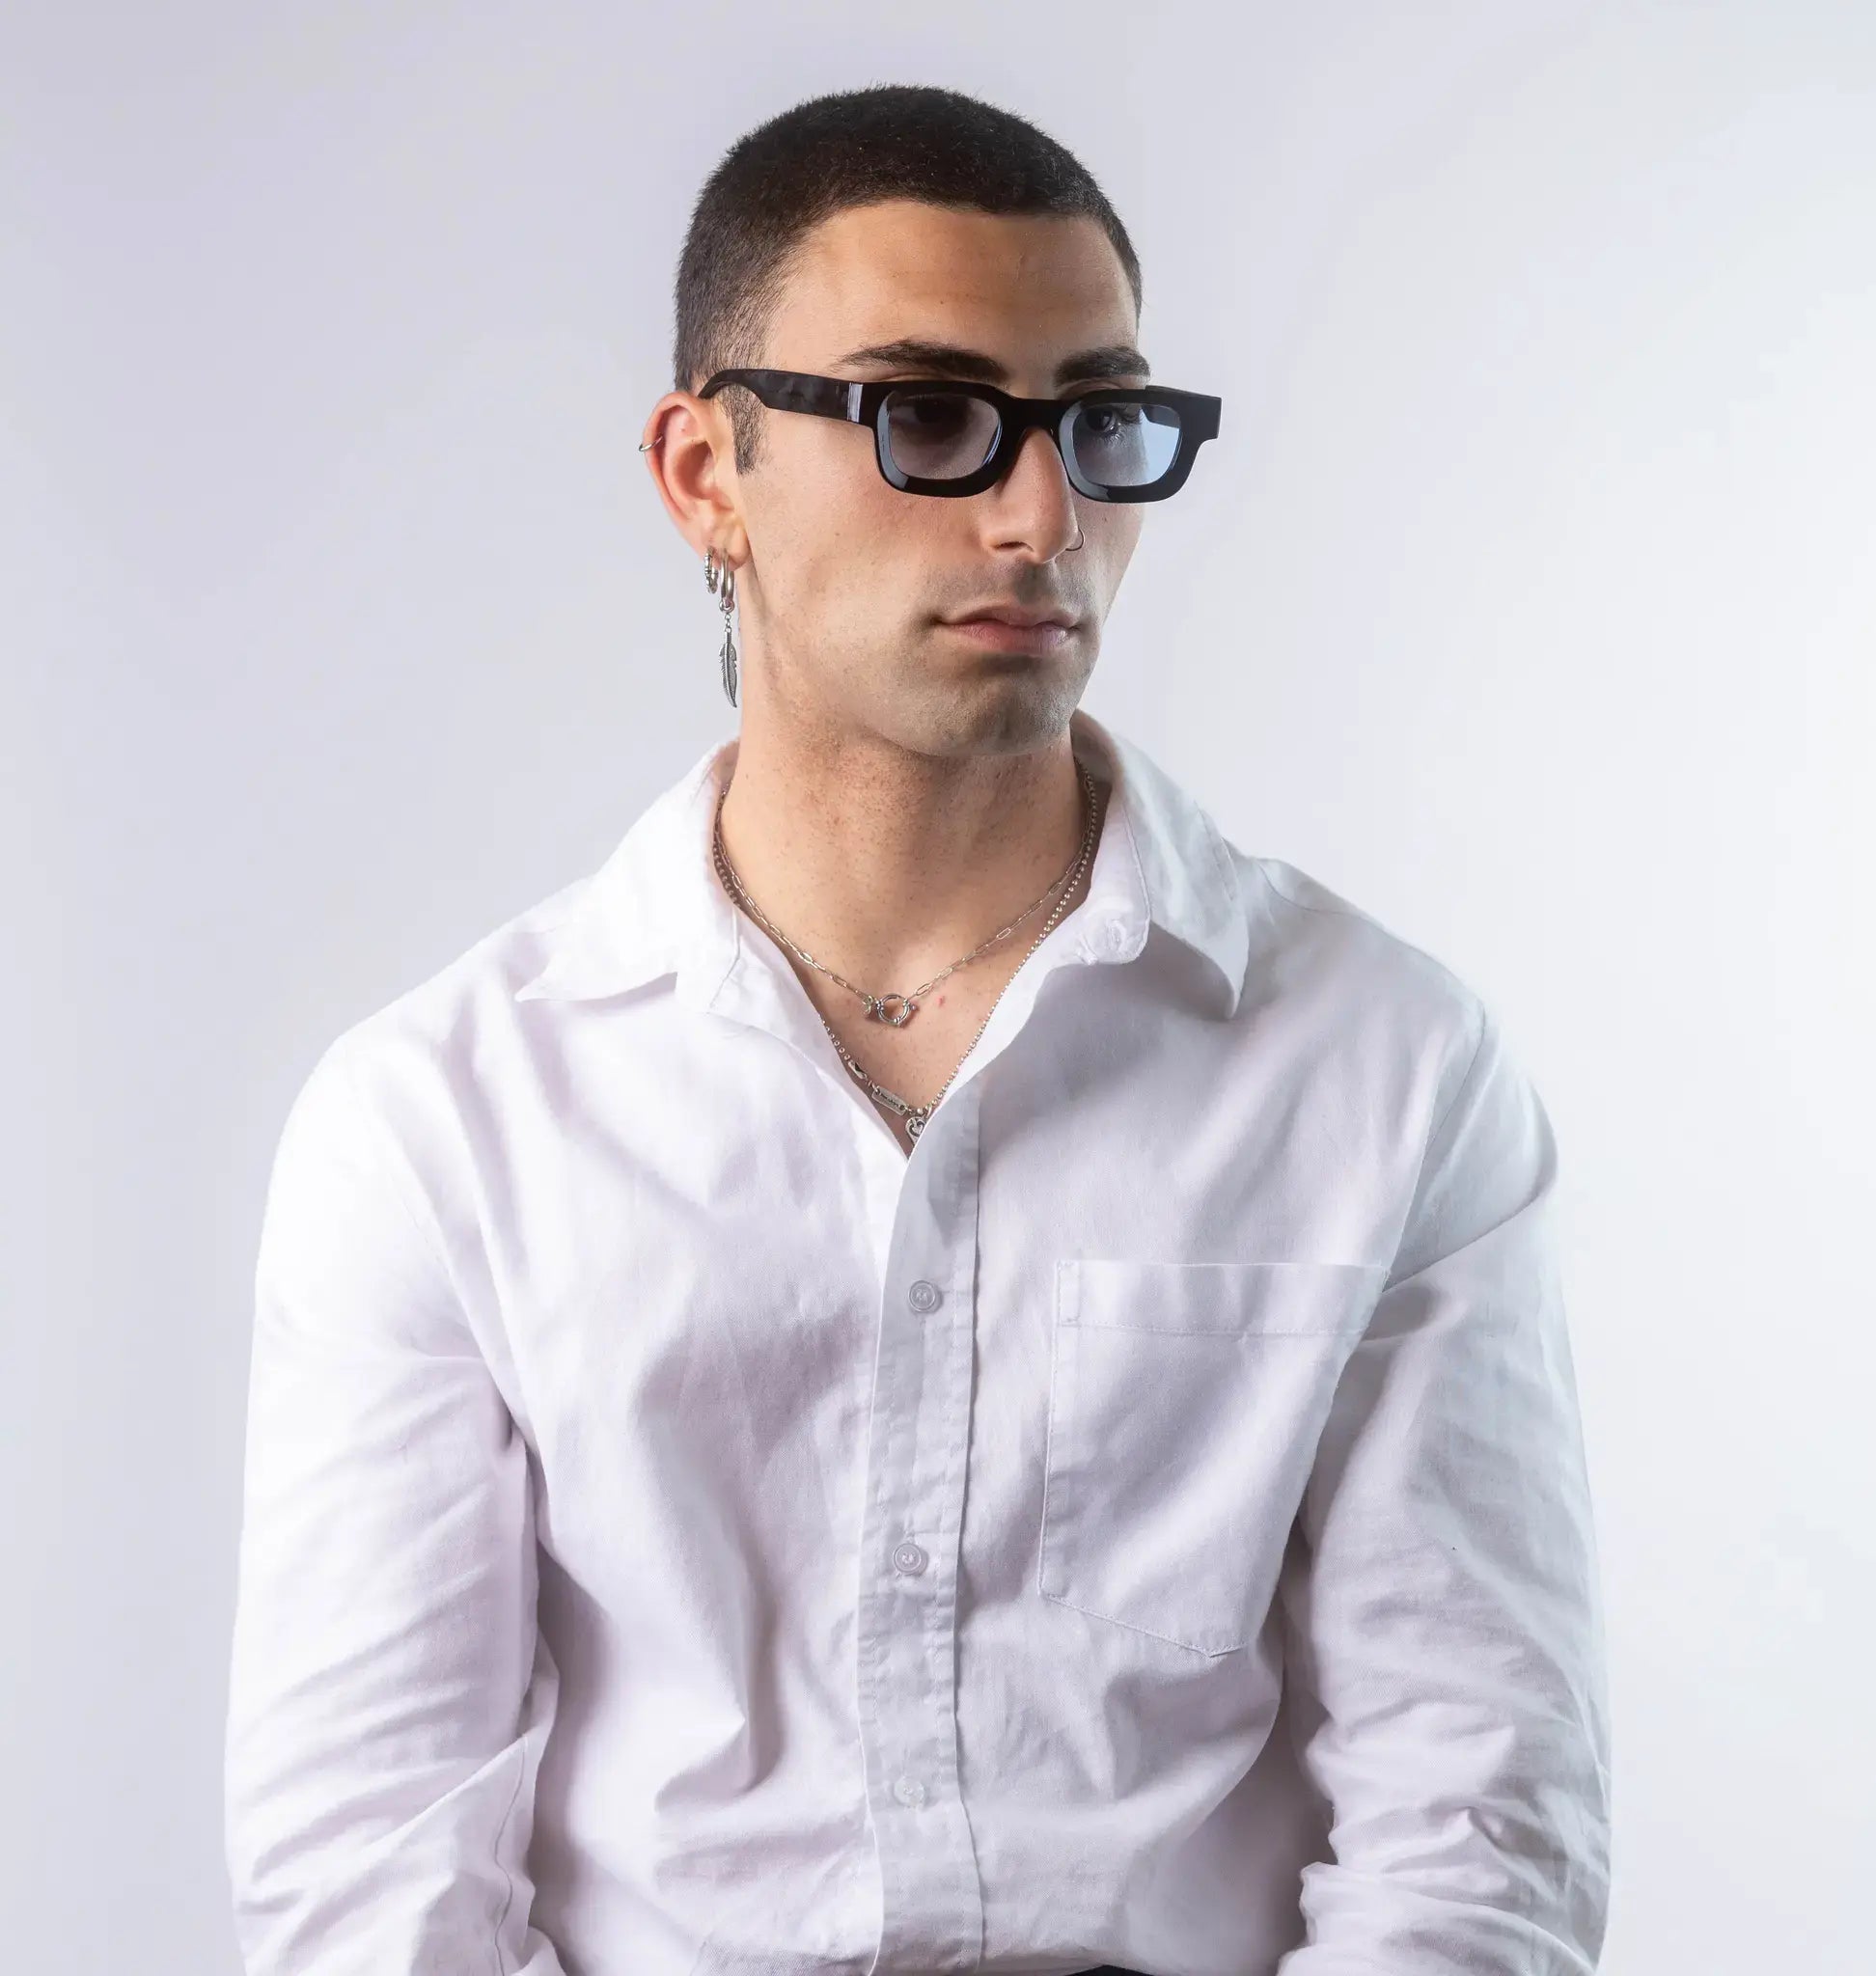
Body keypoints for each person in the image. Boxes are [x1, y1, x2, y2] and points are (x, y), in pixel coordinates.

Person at [223, 82, 1612, 1976]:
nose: (1044, 513)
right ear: (707, 472)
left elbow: (1475, 1837)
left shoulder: (1381, 1067)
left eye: (1098, 423)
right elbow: (370, 1872)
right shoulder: (444, 1119)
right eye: (932, 418)